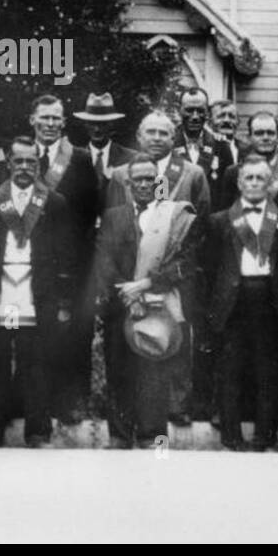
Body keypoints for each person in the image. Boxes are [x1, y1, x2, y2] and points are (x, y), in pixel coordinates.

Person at [0, 136, 73, 448]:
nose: (24, 168)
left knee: (36, 364)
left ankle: (37, 432)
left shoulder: (54, 202)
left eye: (31, 162)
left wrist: (64, 302)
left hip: (35, 295)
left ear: (39, 165)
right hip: (0, 295)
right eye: (19, 161)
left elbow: (66, 256)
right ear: (8, 163)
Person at [108, 111, 213, 423]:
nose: (156, 138)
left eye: (163, 133)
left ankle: (177, 406)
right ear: (139, 136)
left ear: (173, 137)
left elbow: (202, 225)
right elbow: (115, 222)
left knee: (176, 338)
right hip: (131, 277)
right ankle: (135, 411)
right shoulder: (119, 175)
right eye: (150, 132)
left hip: (176, 277)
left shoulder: (192, 174)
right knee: (136, 338)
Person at [93, 156, 202, 449]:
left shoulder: (174, 216)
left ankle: (153, 436)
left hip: (158, 303)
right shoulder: (114, 215)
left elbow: (185, 264)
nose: (144, 184)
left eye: (150, 179)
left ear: (159, 183)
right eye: (137, 179)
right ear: (128, 184)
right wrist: (128, 296)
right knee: (119, 371)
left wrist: (146, 284)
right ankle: (119, 435)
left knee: (154, 372)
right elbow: (104, 260)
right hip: (121, 305)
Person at [206, 155, 278, 451]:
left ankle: (264, 434)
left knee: (268, 369)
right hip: (233, 299)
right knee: (230, 368)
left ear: (270, 184)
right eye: (249, 178)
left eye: (261, 178)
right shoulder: (219, 221)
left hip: (269, 298)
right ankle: (231, 435)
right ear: (239, 182)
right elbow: (209, 268)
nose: (255, 183)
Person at [28, 94, 99, 424]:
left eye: (56, 118)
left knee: (76, 332)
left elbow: (89, 212)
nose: (50, 124)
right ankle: (32, 402)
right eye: (44, 117)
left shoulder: (81, 159)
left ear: (64, 122)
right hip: (27, 258)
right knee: (33, 333)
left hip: (72, 260)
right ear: (33, 120)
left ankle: (74, 403)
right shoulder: (20, 156)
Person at [221, 112, 278, 214]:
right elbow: (226, 215)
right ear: (250, 137)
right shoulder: (233, 173)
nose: (265, 137)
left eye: (270, 133)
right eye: (259, 133)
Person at [173, 88, 235, 211]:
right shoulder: (168, 145)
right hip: (175, 221)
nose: (195, 116)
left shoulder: (221, 147)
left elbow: (229, 194)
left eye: (200, 111)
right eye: (189, 110)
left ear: (207, 113)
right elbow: (159, 184)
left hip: (209, 222)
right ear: (180, 110)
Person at [74, 92, 136, 200]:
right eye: (92, 123)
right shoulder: (74, 159)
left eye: (103, 124)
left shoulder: (130, 158)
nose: (97, 129)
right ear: (85, 125)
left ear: (112, 124)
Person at [211, 99, 245, 165]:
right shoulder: (203, 147)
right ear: (210, 121)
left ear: (238, 122)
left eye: (232, 117)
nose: (226, 120)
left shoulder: (246, 149)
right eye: (221, 116)